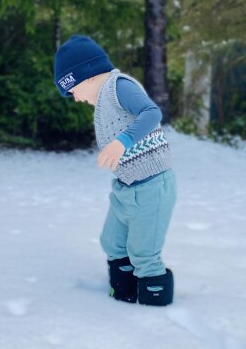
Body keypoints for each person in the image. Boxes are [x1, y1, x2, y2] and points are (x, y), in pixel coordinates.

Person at [53, 34, 177, 306]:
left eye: (72, 91)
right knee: (112, 242)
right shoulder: (104, 100)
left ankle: (153, 301)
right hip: (125, 187)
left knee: (144, 253)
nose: (75, 99)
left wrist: (122, 143)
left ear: (85, 77)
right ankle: (123, 289)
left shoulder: (118, 86)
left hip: (153, 186)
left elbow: (151, 113)